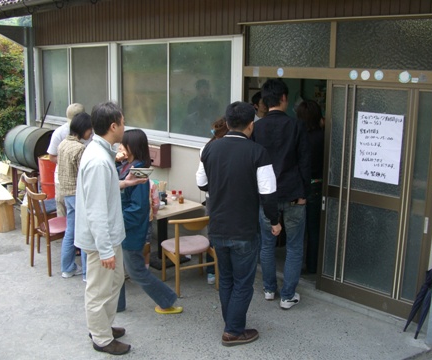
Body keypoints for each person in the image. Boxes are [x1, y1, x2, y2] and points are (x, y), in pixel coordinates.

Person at [196, 101, 281, 347]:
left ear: (228, 121)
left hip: (218, 226)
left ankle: (231, 324)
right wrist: (274, 222)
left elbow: (202, 183)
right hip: (244, 228)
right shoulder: (258, 152)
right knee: (244, 282)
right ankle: (233, 330)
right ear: (250, 126)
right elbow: (268, 194)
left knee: (227, 279)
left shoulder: (210, 149)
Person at [74, 101, 145, 356]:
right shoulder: (97, 160)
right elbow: (95, 210)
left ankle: (103, 325)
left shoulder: (101, 153)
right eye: (123, 122)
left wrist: (123, 184)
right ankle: (101, 338)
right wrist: (105, 250)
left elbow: (102, 191)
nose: (125, 127)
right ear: (113, 126)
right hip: (100, 239)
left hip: (110, 235)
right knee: (99, 289)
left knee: (113, 283)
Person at [253, 78, 311, 310]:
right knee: (295, 246)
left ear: (264, 102)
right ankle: (287, 295)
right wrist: (305, 193)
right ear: (284, 98)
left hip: (267, 197)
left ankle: (269, 289)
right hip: (294, 194)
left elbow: (254, 165)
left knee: (267, 244)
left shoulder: (256, 128)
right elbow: (305, 163)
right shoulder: (296, 126)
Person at [116, 129, 183, 315]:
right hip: (122, 228)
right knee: (117, 269)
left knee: (136, 270)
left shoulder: (138, 172)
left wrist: (118, 223)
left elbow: (137, 209)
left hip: (130, 230)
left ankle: (167, 300)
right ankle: (117, 304)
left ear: (132, 147)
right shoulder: (124, 165)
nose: (119, 147)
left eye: (123, 144)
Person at [57, 112, 93, 280]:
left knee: (71, 230)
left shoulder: (63, 143)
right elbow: (84, 174)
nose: (91, 133)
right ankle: (87, 273)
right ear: (83, 129)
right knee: (85, 233)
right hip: (77, 195)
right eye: (89, 129)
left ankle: (67, 268)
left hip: (65, 192)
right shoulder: (80, 148)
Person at [296, 100, 324, 274]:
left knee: (298, 230)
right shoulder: (323, 135)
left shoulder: (298, 136)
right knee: (314, 229)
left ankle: (295, 265)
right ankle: (313, 264)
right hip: (318, 185)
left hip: (299, 186)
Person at [47, 103, 87, 217]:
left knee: (77, 219)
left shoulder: (90, 132)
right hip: (63, 181)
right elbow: (51, 156)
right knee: (64, 216)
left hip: (81, 182)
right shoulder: (59, 133)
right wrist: (69, 162)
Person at [202, 117, 228, 285]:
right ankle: (217, 270)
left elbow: (201, 182)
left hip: (212, 199)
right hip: (226, 199)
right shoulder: (223, 148)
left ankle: (212, 271)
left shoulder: (207, 148)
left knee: (213, 233)